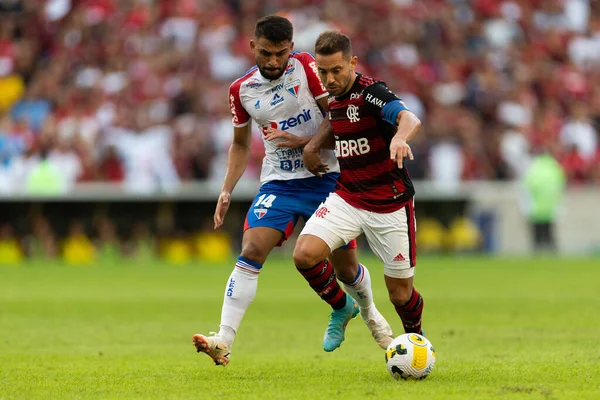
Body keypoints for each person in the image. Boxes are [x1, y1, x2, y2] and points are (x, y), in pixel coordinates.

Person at [192, 16, 393, 367]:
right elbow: (240, 145)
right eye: (267, 53)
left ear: (291, 48)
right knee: (252, 248)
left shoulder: (306, 67)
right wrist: (226, 189)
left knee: (345, 270)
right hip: (279, 182)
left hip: (327, 177)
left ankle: (369, 312)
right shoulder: (241, 90)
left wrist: (308, 145)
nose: (273, 61)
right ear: (252, 46)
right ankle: (223, 339)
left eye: (281, 53)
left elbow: (339, 117)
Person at [294, 30, 426, 340]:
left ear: (352, 63)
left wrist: (398, 137)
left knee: (400, 295)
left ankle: (415, 341)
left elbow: (410, 119)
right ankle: (343, 307)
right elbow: (337, 126)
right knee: (304, 255)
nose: (329, 79)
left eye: (336, 70)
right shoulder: (335, 99)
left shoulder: (371, 92)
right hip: (348, 197)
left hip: (389, 202)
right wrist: (312, 147)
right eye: (322, 72)